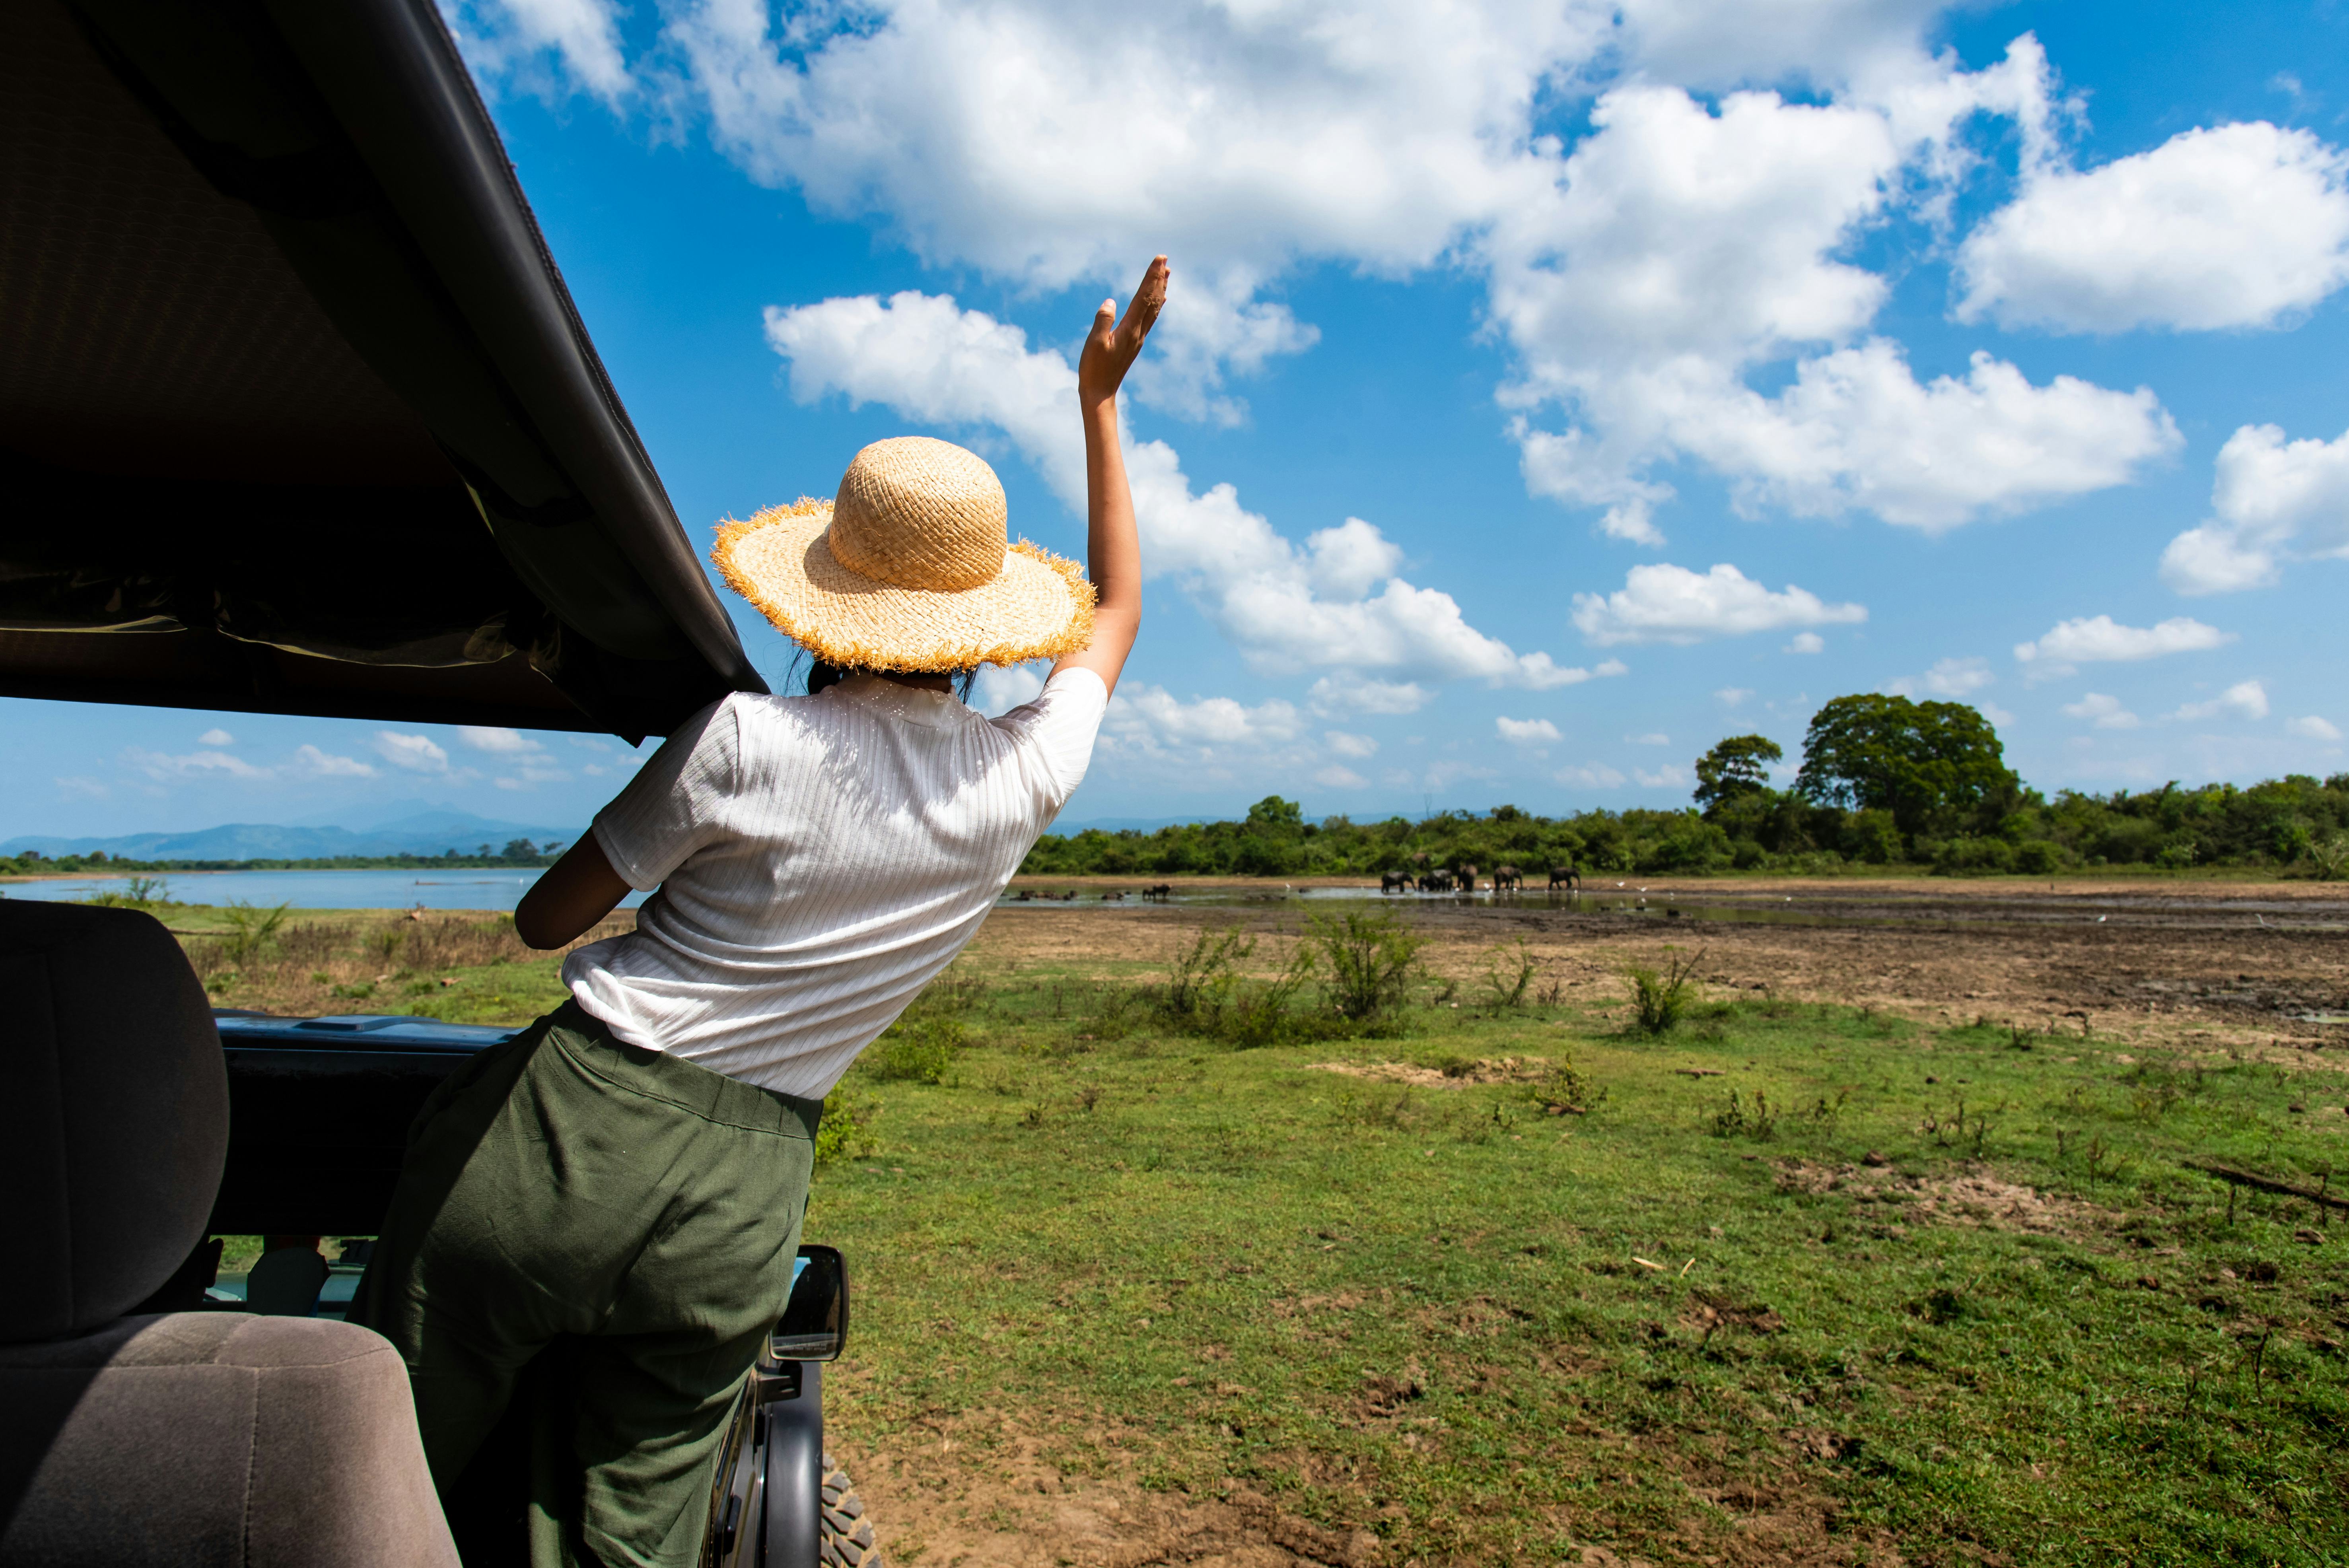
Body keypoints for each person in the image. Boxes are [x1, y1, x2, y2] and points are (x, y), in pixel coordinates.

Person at [353, 255, 1171, 1568]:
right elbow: (1120, 610)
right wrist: (1100, 401)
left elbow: (541, 923)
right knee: (636, 1530)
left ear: (827, 595)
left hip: (564, 1125)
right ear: (977, 627)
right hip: (745, 1190)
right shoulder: (1025, 772)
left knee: (377, 1477)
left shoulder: (738, 737)